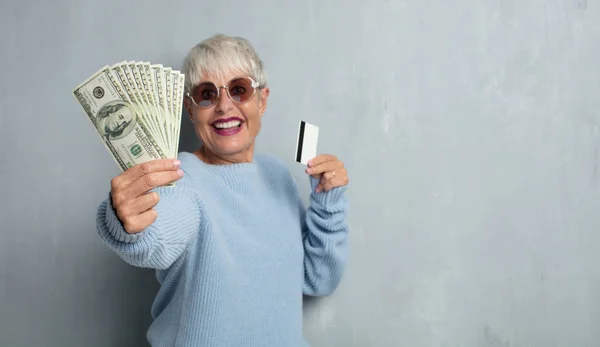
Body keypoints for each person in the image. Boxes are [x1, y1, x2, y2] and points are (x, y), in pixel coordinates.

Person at [96, 33, 350, 347]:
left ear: (263, 100)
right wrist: (127, 222)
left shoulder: (278, 174)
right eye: (206, 94)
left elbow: (318, 278)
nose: (224, 106)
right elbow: (156, 241)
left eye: (239, 90)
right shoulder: (182, 175)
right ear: (190, 109)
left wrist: (328, 203)